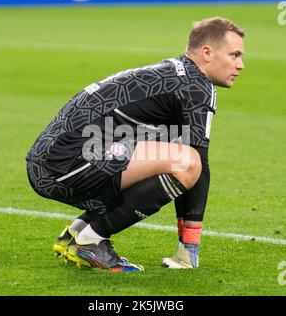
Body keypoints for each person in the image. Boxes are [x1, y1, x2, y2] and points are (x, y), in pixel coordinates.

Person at [26, 17, 245, 272]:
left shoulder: (175, 73)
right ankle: (91, 241)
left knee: (167, 152)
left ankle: (76, 233)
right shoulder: (196, 86)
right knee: (187, 162)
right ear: (207, 53)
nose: (240, 65)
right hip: (64, 163)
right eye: (234, 55)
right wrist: (190, 245)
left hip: (52, 161)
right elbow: (198, 166)